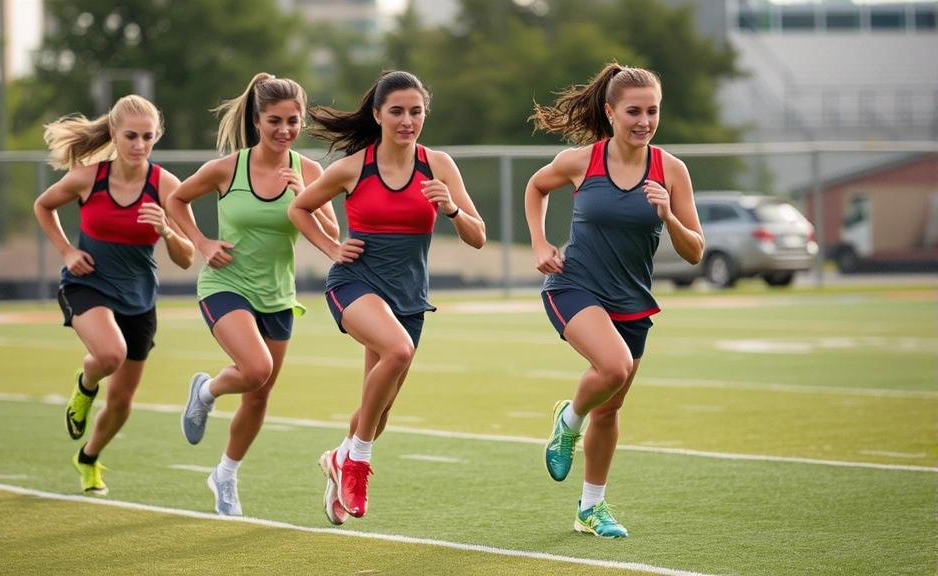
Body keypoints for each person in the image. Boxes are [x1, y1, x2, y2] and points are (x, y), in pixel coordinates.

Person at [288, 70, 486, 525]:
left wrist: (451, 208)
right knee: (399, 349)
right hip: (355, 284)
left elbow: (477, 237)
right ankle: (355, 462)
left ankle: (338, 458)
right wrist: (331, 247)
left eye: (415, 111)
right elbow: (298, 208)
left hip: (409, 297)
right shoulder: (355, 167)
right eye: (396, 111)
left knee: (378, 413)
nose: (407, 120)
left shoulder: (439, 166)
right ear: (377, 115)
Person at [524, 63, 704, 538]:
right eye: (633, 111)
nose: (644, 121)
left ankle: (590, 509)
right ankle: (568, 420)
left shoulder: (671, 170)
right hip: (576, 286)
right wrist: (541, 245)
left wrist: (668, 214)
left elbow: (694, 252)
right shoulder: (582, 161)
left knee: (611, 409)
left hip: (633, 300)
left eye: (652, 111)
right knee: (614, 367)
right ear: (610, 111)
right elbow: (535, 188)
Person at [167, 73, 339, 516]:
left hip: (278, 294)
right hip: (226, 284)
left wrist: (310, 199)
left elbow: (333, 236)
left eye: (293, 121)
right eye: (274, 121)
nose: (284, 130)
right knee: (256, 367)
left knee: (259, 394)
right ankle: (205, 392)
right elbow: (177, 201)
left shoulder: (312, 172)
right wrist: (202, 243)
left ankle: (224, 476)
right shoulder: (229, 168)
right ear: (257, 120)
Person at [34, 94, 195, 496]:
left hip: (139, 298)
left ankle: (88, 458)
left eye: (148, 137)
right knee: (109, 354)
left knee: (122, 403)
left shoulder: (165, 185)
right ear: (113, 134)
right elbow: (43, 205)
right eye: (131, 137)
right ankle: (85, 385)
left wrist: (167, 230)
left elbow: (188, 257)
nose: (140, 145)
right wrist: (68, 251)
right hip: (87, 284)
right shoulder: (89, 178)